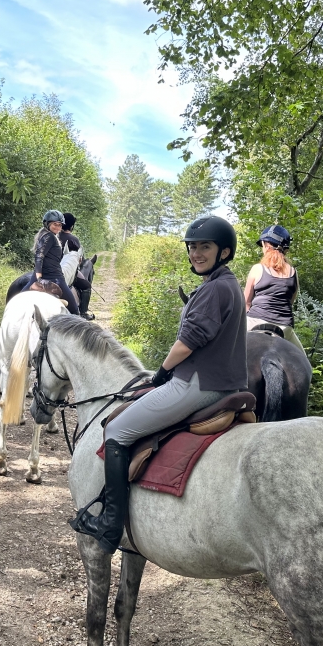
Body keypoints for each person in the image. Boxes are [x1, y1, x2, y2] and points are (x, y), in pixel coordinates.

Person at [70, 215, 247, 553]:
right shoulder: (227, 284)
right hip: (221, 381)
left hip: (197, 382)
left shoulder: (215, 289)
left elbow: (189, 341)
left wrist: (163, 372)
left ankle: (109, 525)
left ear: (224, 252)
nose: (196, 253)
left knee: (117, 431)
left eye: (204, 247)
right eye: (192, 247)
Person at [243, 225, 305, 352]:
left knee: (226, 353)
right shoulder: (293, 273)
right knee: (305, 366)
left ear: (266, 245)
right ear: (286, 250)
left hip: (254, 322)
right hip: (284, 328)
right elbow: (290, 302)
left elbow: (246, 303)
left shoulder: (257, 269)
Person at [23, 209, 80, 311]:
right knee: (75, 310)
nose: (58, 227)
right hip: (55, 278)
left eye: (60, 225)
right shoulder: (49, 237)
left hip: (45, 275)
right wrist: (39, 276)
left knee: (18, 300)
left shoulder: (47, 236)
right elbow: (39, 256)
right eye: (55, 224)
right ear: (47, 224)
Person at [59, 212, 95, 320]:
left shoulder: (54, 235)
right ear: (72, 226)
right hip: (67, 271)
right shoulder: (73, 239)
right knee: (86, 286)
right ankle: (83, 312)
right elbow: (79, 261)